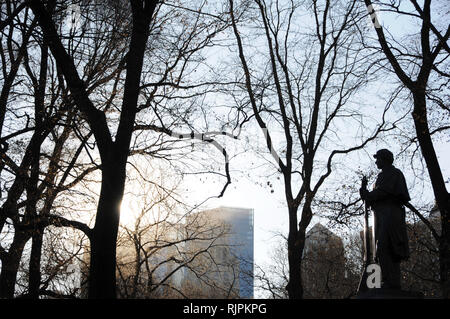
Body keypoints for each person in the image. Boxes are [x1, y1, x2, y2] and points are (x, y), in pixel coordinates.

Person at [360, 149, 410, 289]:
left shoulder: (393, 173)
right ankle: (389, 281)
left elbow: (381, 193)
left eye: (378, 159)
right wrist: (364, 189)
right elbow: (371, 197)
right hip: (381, 216)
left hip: (390, 215)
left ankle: (392, 282)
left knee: (387, 247)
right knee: (381, 249)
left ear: (385, 159)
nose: (376, 161)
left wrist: (369, 194)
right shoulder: (381, 176)